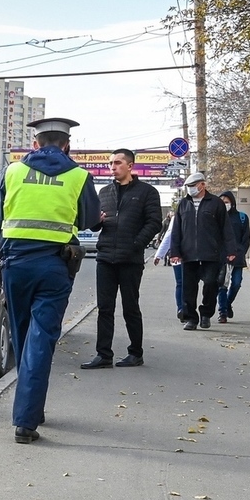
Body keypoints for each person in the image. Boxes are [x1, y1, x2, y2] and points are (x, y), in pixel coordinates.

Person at [0, 117, 100, 444]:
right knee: (41, 339)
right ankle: (26, 418)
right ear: (67, 145)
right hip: (54, 267)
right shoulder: (79, 176)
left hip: (16, 265)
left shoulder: (13, 172)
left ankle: (30, 407)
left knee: (23, 336)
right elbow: (90, 219)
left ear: (35, 144)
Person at [80, 149, 162, 370]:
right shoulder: (105, 192)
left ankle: (136, 353)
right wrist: (96, 220)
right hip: (105, 257)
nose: (112, 167)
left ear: (130, 166)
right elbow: (94, 225)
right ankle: (103, 354)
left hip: (130, 259)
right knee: (104, 308)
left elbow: (155, 222)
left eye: (117, 163)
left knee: (130, 307)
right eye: (110, 163)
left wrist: (136, 243)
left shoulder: (147, 192)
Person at [169, 172, 236, 330]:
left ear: (202, 185)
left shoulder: (216, 203)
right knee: (189, 288)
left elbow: (226, 228)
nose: (190, 189)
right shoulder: (184, 204)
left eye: (193, 186)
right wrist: (175, 252)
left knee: (210, 284)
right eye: (188, 186)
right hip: (188, 253)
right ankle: (191, 318)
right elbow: (177, 230)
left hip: (211, 253)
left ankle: (206, 314)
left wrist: (230, 249)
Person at [217, 190, 250, 323]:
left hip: (237, 257)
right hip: (222, 258)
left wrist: (240, 252)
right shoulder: (216, 217)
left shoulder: (242, 218)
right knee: (222, 285)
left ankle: (227, 303)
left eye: (226, 202)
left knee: (236, 283)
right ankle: (222, 312)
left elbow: (246, 239)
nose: (224, 204)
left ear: (232, 202)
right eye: (222, 202)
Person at [152, 214, 184, 319]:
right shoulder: (177, 218)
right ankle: (181, 309)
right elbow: (169, 236)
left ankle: (188, 308)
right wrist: (159, 255)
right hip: (177, 255)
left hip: (193, 256)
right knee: (180, 283)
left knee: (189, 284)